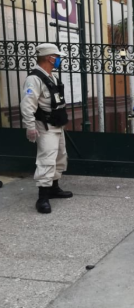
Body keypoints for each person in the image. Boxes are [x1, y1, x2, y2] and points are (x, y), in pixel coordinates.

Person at [20, 43, 73, 214]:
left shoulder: (51, 77)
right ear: (49, 58)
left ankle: (53, 188)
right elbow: (27, 105)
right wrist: (30, 127)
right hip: (44, 126)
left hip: (56, 124)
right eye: (56, 57)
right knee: (46, 158)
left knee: (59, 156)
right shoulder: (34, 79)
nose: (58, 60)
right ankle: (42, 197)